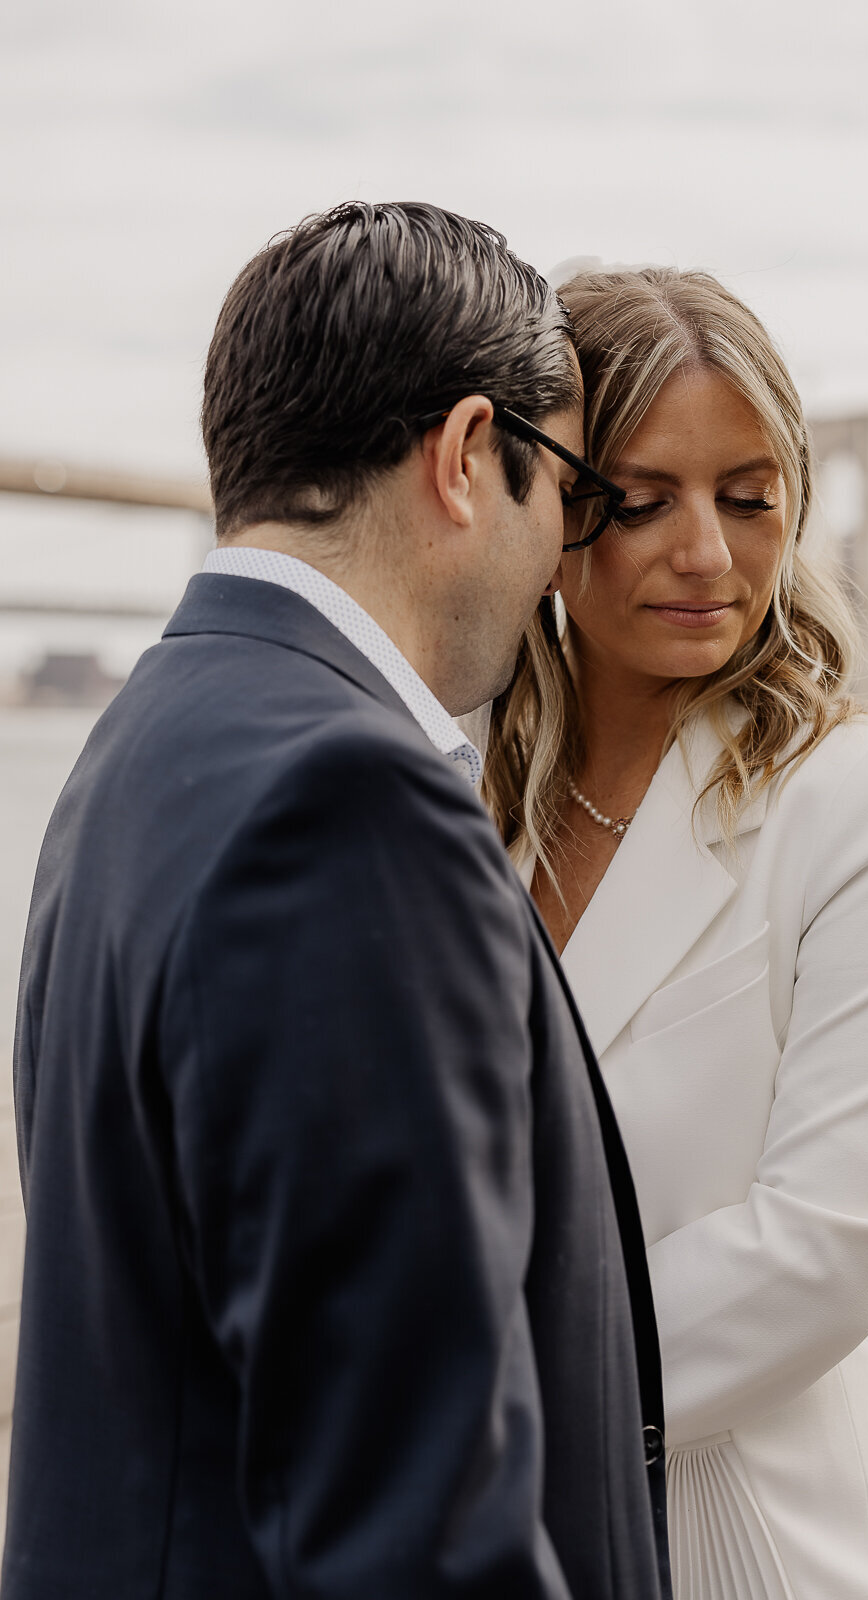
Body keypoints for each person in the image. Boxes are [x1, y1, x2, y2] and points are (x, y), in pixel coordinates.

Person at [4, 206, 670, 1600]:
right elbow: (410, 1520)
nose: (567, 562)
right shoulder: (349, 805)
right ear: (467, 455)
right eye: (574, 496)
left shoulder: (140, 750)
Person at [481, 265, 868, 1599]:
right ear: (543, 507)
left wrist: (463, 1401)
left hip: (767, 1541)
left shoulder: (867, 800)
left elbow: (824, 1246)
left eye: (749, 499)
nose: (708, 552)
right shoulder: (463, 811)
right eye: (639, 503)